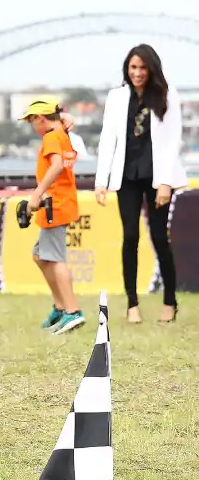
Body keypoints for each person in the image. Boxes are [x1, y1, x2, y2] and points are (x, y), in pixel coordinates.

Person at [94, 44, 187, 324]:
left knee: (159, 238)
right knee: (130, 236)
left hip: (157, 175)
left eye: (142, 68)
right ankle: (132, 303)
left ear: (152, 69)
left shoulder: (167, 95)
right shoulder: (117, 97)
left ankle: (170, 301)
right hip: (127, 176)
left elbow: (173, 141)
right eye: (133, 67)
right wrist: (101, 181)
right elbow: (107, 138)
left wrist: (165, 183)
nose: (137, 73)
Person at [20, 97, 85, 335]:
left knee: (55, 259)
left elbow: (56, 165)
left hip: (53, 204)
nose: (32, 127)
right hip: (61, 202)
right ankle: (60, 307)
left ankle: (72, 311)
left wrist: (36, 194)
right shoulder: (61, 133)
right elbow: (65, 122)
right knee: (40, 255)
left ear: (40, 118)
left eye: (31, 121)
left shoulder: (51, 137)